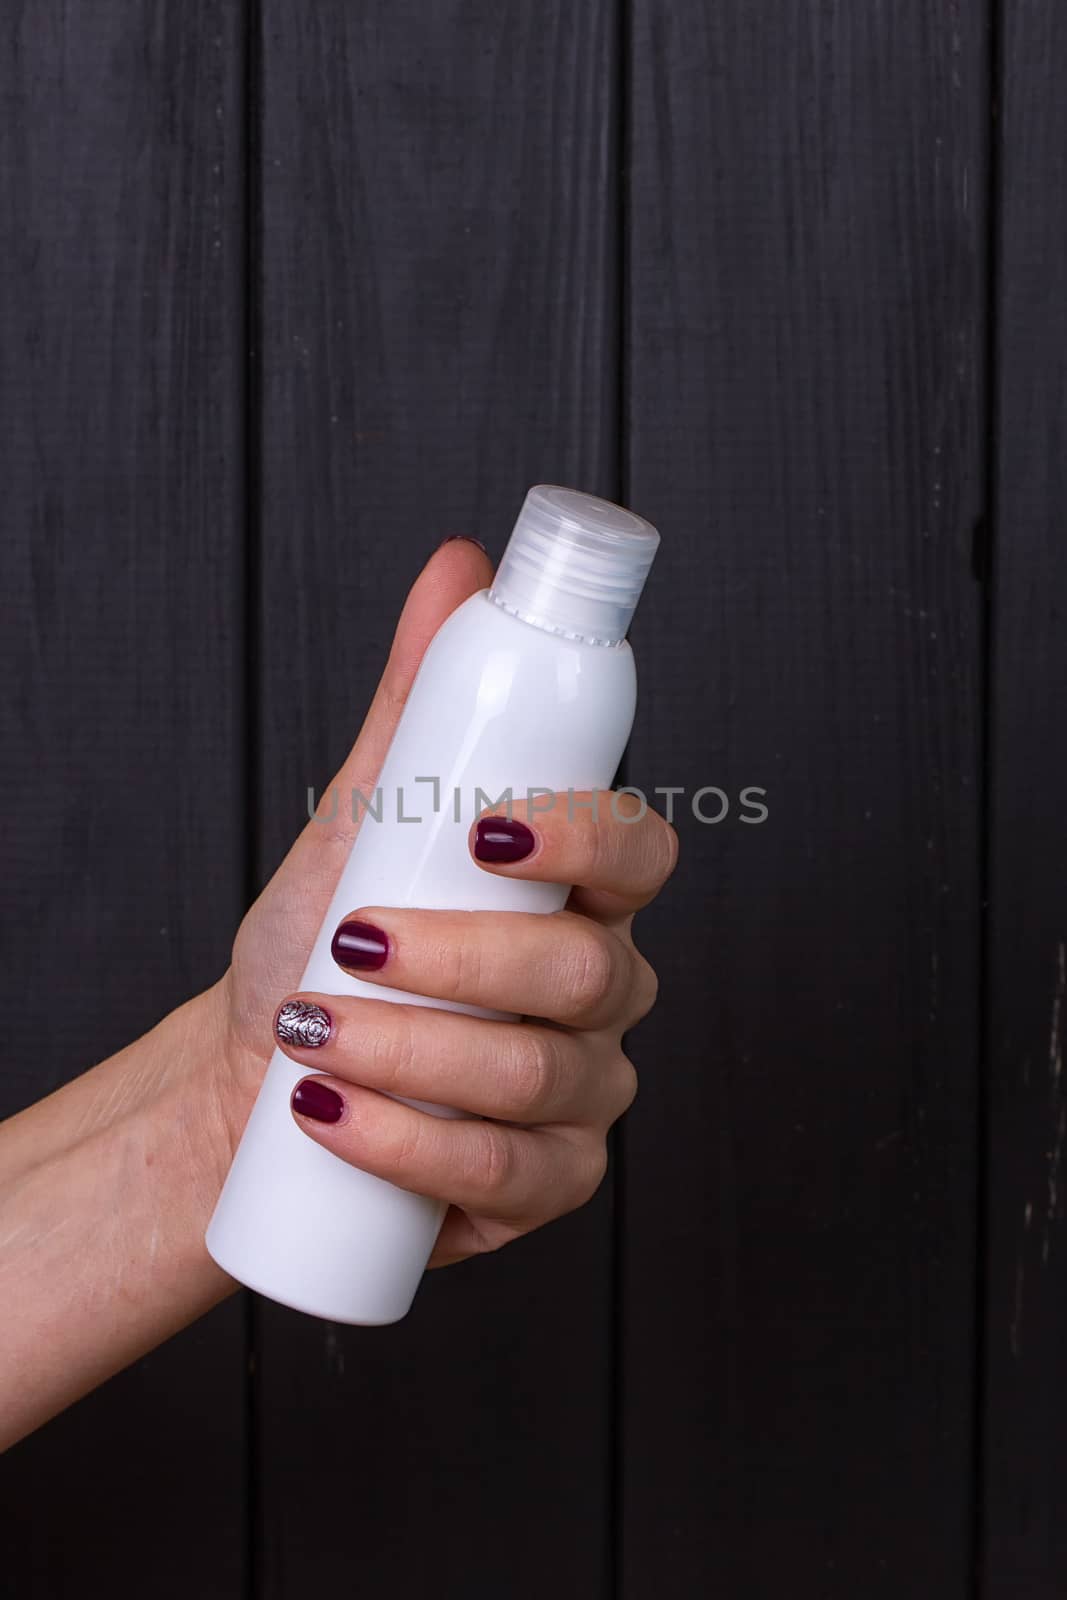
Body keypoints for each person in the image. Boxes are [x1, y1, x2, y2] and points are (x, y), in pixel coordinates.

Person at [0, 536, 676, 1449]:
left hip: (279, 1101)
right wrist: (235, 1092)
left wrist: (223, 1100)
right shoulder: (490, 645)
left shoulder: (572, 675)